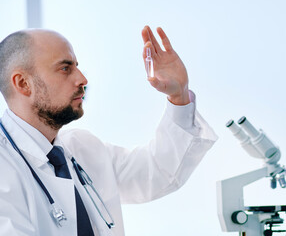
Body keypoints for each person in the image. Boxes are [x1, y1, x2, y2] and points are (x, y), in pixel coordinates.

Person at [0, 26, 217, 236]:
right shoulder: (4, 166)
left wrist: (179, 96)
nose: (82, 79)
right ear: (23, 83)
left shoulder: (81, 148)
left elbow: (159, 170)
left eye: (77, 66)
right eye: (65, 68)